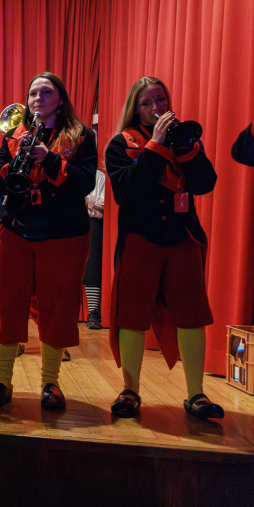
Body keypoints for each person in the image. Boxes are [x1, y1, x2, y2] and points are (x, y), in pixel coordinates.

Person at [105, 77, 222, 420]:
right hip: (140, 237)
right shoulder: (120, 143)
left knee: (192, 314)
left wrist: (189, 150)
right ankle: (130, 391)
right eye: (146, 102)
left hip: (182, 236)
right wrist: (155, 145)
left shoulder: (183, 139)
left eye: (161, 98)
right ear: (135, 109)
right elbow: (126, 192)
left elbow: (205, 183)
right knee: (133, 316)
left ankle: (196, 394)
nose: (156, 107)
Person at [0, 72, 97, 410]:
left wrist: (49, 159)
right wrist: (0, 171)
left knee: (57, 308)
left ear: (60, 99)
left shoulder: (81, 136)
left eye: (46, 92)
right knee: (8, 306)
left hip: (63, 232)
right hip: (17, 228)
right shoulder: (15, 134)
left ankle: (50, 383)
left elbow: (85, 183)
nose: (38, 98)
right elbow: (0, 175)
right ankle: (3, 382)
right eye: (33, 93)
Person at [84, 162, 106, 329]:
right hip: (70, 222)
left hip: (93, 222)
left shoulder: (100, 176)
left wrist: (87, 199)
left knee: (93, 263)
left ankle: (94, 312)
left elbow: (106, 202)